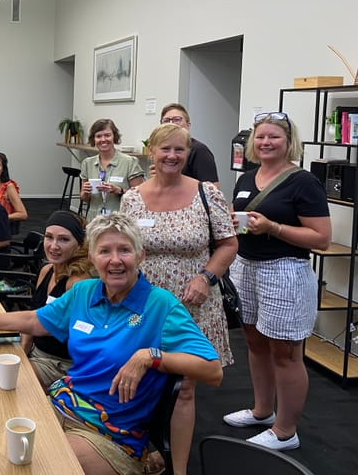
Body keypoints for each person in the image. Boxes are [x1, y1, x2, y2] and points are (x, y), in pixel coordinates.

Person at [0, 213, 223, 475]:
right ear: (93, 258)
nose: (115, 260)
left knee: (37, 463)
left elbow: (213, 370)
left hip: (110, 434)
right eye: (105, 251)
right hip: (61, 404)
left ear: (140, 255)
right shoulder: (84, 292)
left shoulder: (161, 305)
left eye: (124, 250)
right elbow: (34, 320)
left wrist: (150, 356)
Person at [120, 123, 237, 474]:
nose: (172, 156)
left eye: (179, 150)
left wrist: (206, 277)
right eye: (165, 149)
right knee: (141, 378)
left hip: (192, 304)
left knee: (184, 387)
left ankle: (180, 468)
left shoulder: (206, 193)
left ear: (187, 154)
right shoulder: (131, 198)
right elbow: (122, 247)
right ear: (151, 152)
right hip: (143, 303)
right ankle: (141, 452)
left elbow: (229, 244)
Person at [222, 112, 330, 451]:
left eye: (274, 137)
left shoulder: (303, 182)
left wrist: (273, 228)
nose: (265, 142)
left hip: (284, 271)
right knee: (255, 343)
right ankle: (262, 411)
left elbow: (322, 238)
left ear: (288, 142)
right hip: (246, 266)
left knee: (285, 353)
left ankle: (286, 431)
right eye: (261, 137)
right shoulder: (246, 177)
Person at [20, 210, 92, 388]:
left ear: (79, 245)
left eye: (63, 239)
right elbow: (33, 315)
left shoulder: (78, 283)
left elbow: (80, 338)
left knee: (11, 380)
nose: (53, 246)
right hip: (35, 351)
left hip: (59, 363)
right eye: (49, 237)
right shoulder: (46, 271)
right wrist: (22, 352)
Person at [80, 119, 144, 216]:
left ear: (115, 137)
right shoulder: (87, 163)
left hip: (120, 220)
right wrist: (85, 193)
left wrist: (119, 191)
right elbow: (85, 198)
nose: (103, 139)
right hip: (94, 220)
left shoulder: (129, 162)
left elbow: (140, 197)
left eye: (107, 135)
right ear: (93, 139)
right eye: (98, 136)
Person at [158, 103, 219, 187]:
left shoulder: (199, 150)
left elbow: (212, 188)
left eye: (177, 119)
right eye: (166, 120)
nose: (171, 123)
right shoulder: (159, 149)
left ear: (188, 125)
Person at [0, 151, 28, 224]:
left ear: (3, 168)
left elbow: (23, 214)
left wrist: (1, 217)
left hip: (2, 227)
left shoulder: (9, 187)